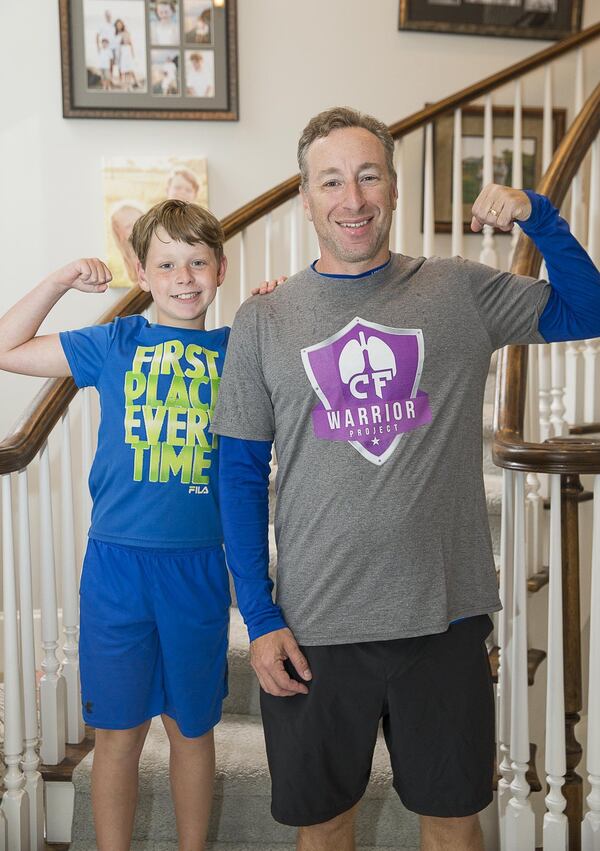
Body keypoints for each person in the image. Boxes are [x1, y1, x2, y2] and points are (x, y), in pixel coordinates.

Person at [211, 107, 600, 851]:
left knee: (454, 820)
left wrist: (539, 217)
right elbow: (236, 474)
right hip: (316, 627)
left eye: (368, 176)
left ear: (394, 187)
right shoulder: (266, 319)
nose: (351, 199)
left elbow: (591, 306)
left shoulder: (458, 291)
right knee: (324, 826)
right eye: (332, 180)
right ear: (306, 196)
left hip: (444, 621)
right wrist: (258, 617)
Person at [0, 199, 283, 851]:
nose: (184, 277)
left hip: (197, 569)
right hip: (117, 569)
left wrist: (279, 308)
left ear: (220, 268)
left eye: (197, 261)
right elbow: (9, 347)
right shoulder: (116, 343)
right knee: (118, 735)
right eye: (166, 264)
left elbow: (309, 363)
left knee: (191, 729)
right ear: (142, 273)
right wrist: (57, 282)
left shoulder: (241, 348)